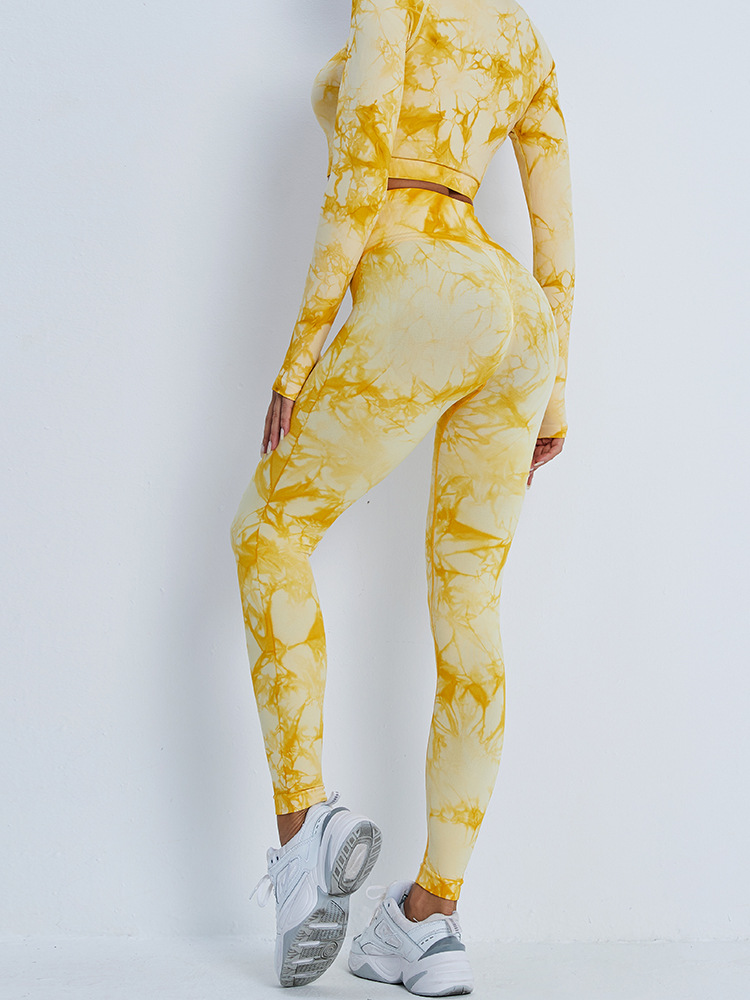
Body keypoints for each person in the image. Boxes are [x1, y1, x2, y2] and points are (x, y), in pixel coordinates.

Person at [230, 0, 574, 993]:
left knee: (269, 532)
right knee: (470, 601)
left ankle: (305, 830)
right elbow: (555, 233)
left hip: (423, 278)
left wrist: (301, 351)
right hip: (516, 320)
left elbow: (360, 166)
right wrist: (557, 387)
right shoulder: (524, 38)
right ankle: (430, 917)